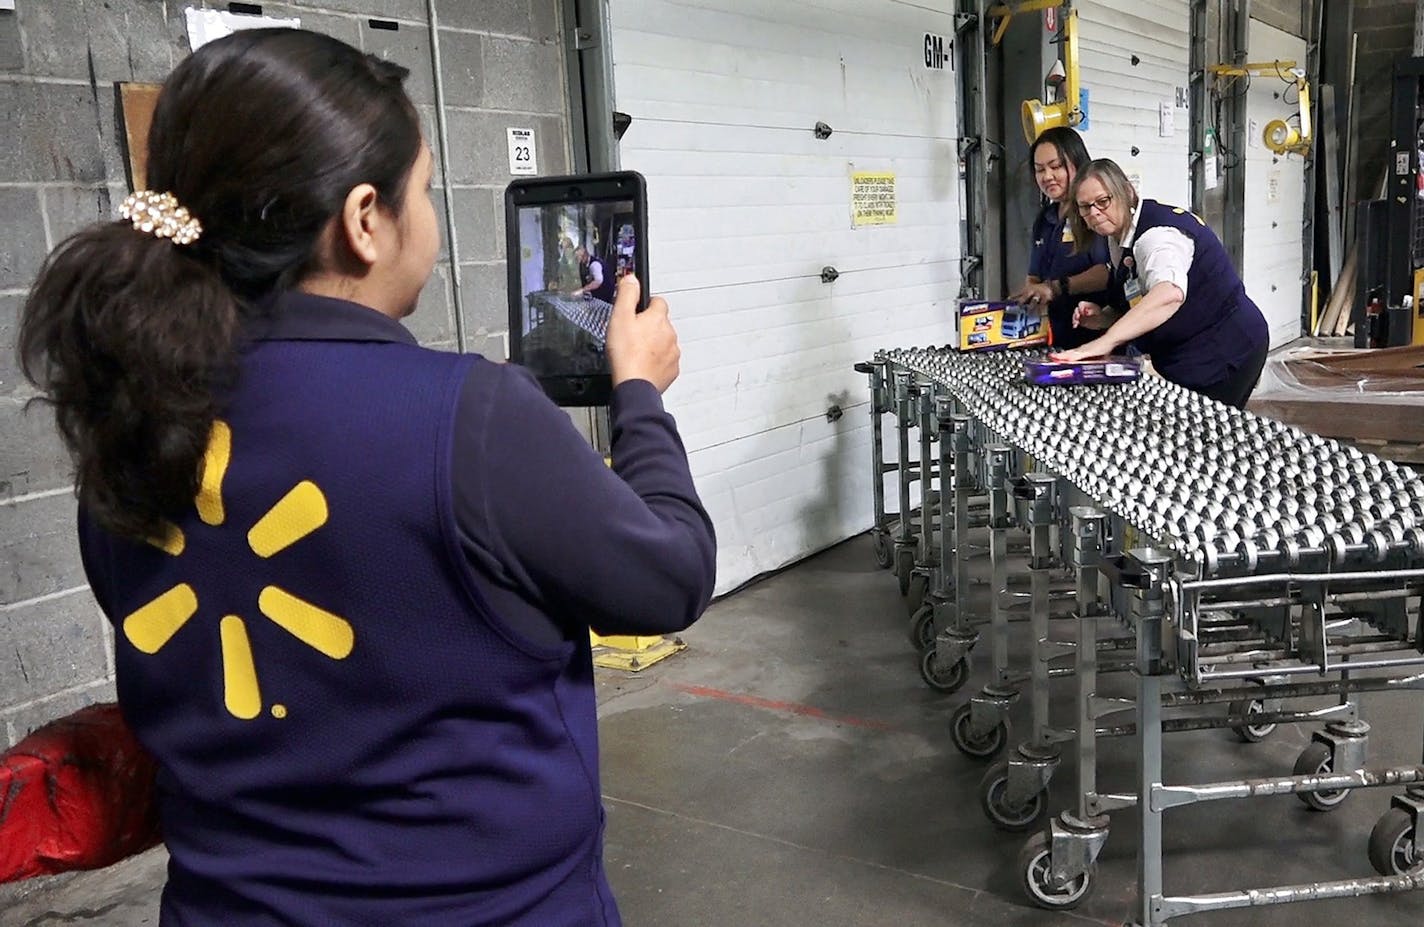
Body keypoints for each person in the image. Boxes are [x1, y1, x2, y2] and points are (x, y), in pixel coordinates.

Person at [18, 28, 715, 927]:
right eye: (421, 189)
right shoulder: (472, 419)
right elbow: (671, 574)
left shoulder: (128, 422)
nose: (427, 214)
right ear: (363, 220)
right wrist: (639, 394)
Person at [1054, 158, 1270, 408]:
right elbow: (1140, 297)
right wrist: (1104, 317)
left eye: (1103, 201)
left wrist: (1105, 341)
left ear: (1126, 192)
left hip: (1227, 349)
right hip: (1186, 355)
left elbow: (1169, 294)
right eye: (1085, 207)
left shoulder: (1157, 236)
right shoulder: (1118, 238)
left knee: (1204, 434)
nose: (1094, 213)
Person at [1009, 126, 1111, 348]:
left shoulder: (1095, 213)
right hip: (1056, 339)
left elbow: (1106, 271)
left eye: (1055, 167)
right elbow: (1034, 278)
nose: (1047, 177)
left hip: (1100, 339)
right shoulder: (1044, 220)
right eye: (1039, 170)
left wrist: (1056, 287)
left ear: (1078, 163)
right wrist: (1030, 297)